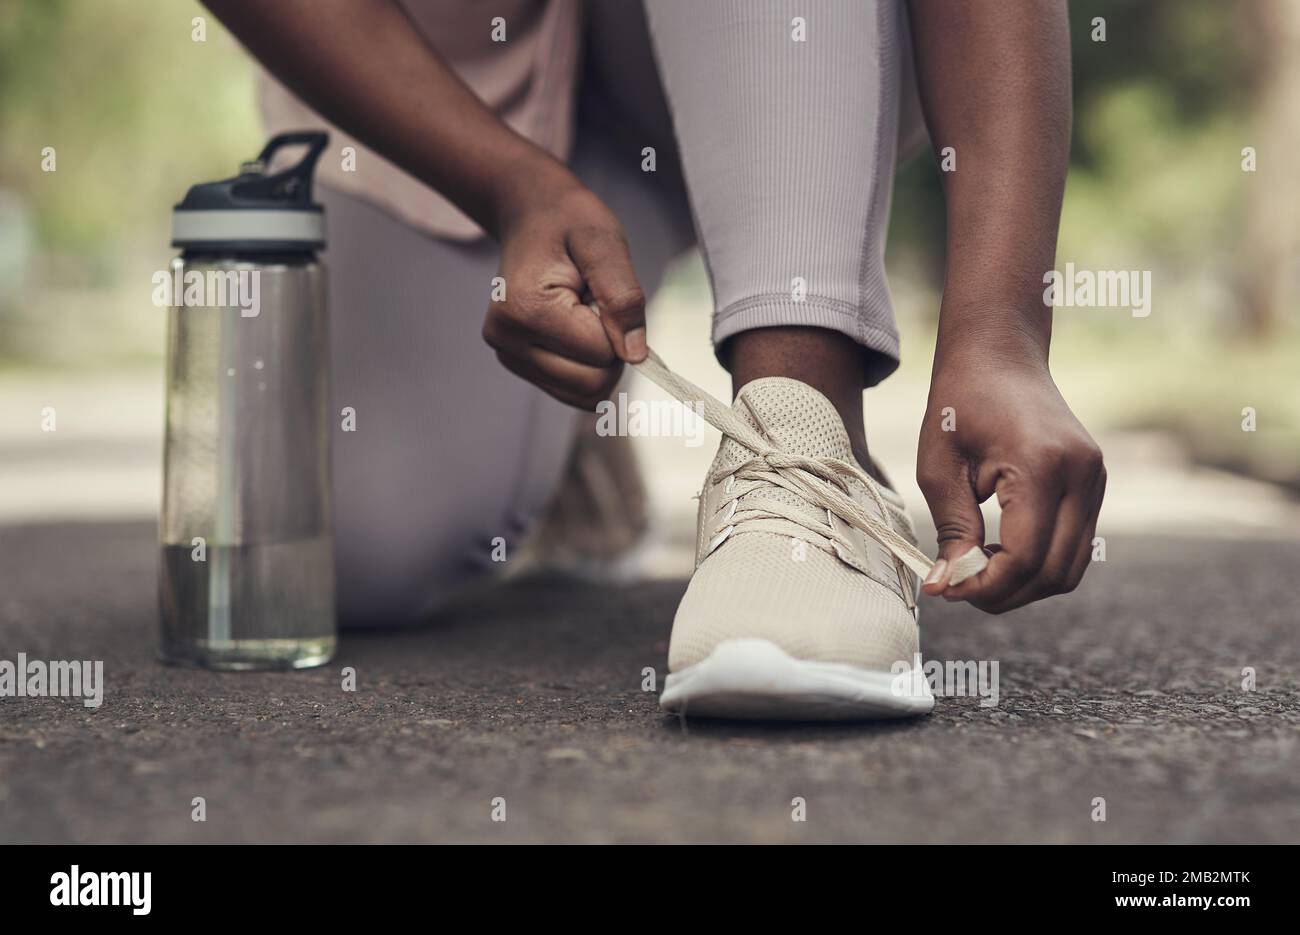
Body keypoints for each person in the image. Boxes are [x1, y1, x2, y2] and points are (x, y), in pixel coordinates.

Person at [204, 0, 1105, 719]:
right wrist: (506, 183)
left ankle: (799, 427)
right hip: (447, 83)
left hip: (786, 48)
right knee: (340, 552)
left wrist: (1003, 327)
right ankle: (569, 446)